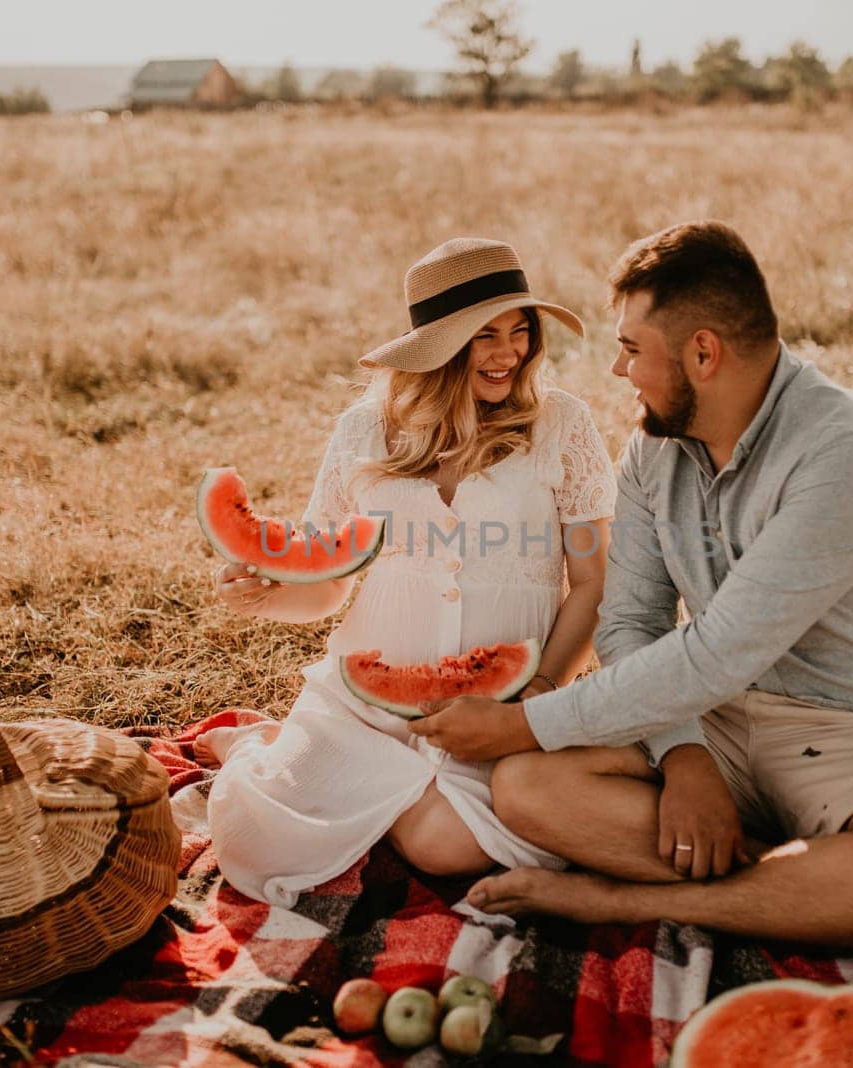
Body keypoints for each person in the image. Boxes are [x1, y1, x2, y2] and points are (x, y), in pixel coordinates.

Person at [409, 221, 853, 979]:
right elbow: (631, 621)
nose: (619, 371)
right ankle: (833, 893)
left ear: (703, 353)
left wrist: (519, 723)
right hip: (720, 720)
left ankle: (623, 900)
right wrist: (684, 754)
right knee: (528, 787)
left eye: (631, 348)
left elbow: (721, 646)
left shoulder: (852, 451)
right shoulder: (653, 448)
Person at [197, 237, 618, 908]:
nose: (509, 352)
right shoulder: (362, 432)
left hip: (498, 714)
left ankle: (328, 783)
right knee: (248, 838)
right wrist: (265, 596)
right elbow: (329, 584)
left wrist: (536, 694)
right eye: (485, 335)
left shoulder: (563, 425)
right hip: (363, 708)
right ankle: (265, 748)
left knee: (445, 847)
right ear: (439, 346)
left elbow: (595, 585)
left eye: (520, 331)